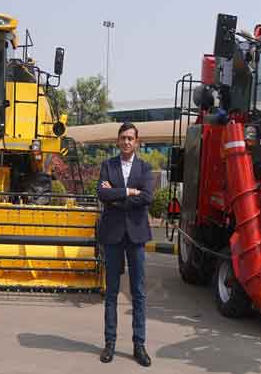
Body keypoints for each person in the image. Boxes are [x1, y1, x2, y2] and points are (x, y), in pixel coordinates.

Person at [96, 122, 154, 367]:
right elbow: (102, 194)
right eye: (123, 138)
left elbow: (147, 197)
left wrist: (118, 195)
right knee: (111, 292)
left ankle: (139, 344)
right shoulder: (107, 166)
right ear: (118, 141)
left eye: (131, 138)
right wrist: (130, 192)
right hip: (113, 235)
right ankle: (109, 343)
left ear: (137, 142)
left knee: (138, 293)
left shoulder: (145, 168)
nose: (127, 142)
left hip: (136, 235)